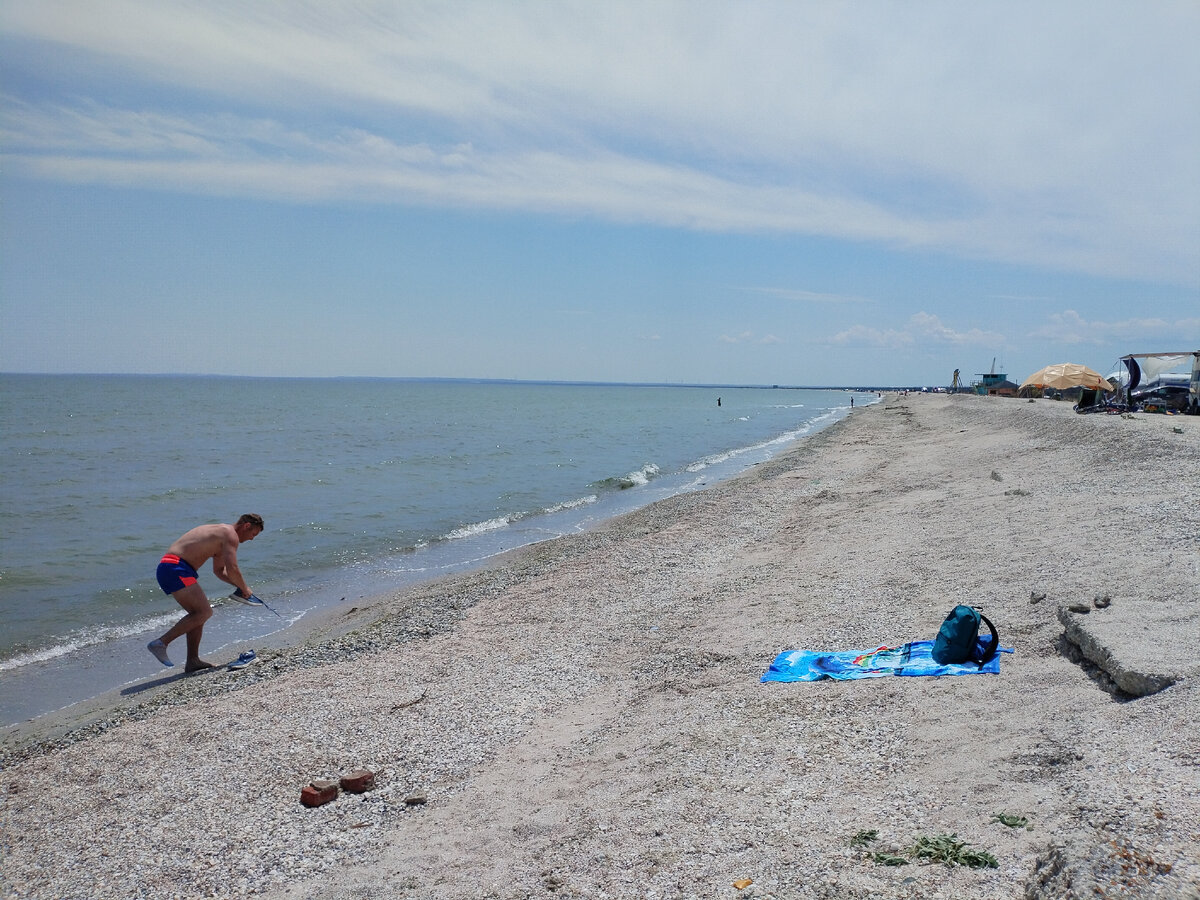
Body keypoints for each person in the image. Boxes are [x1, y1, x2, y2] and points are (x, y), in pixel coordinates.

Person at [147, 514, 264, 672]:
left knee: (198, 615)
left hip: (172, 568)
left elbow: (219, 571)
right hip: (176, 568)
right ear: (247, 526)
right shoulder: (230, 535)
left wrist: (241, 587)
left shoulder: (222, 534)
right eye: (253, 534)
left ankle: (193, 661)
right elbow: (233, 569)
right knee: (204, 612)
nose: (251, 539)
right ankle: (161, 643)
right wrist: (245, 588)